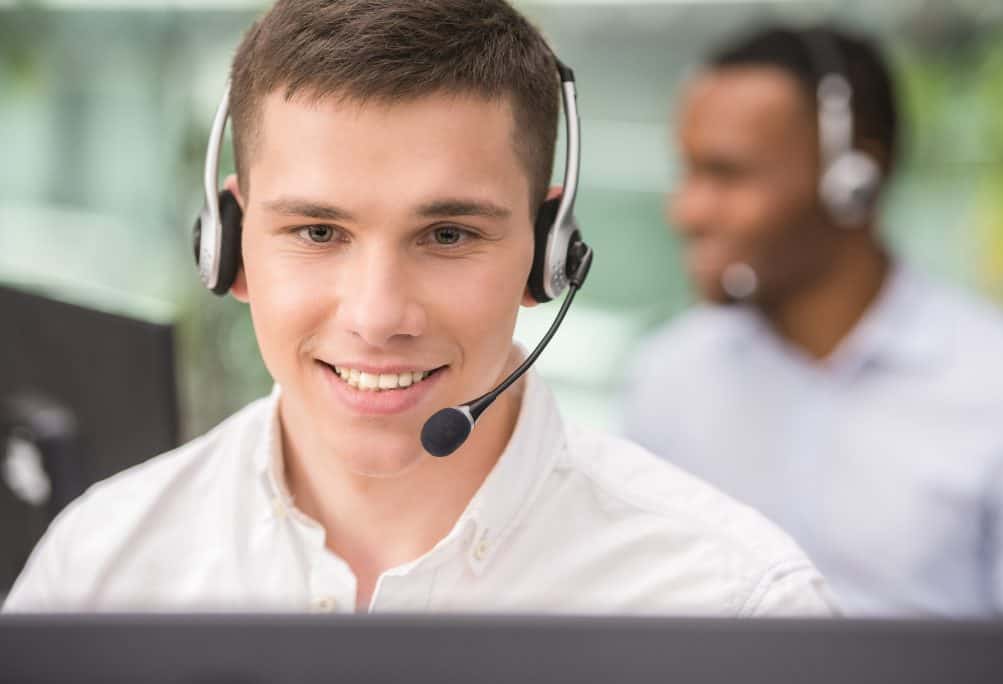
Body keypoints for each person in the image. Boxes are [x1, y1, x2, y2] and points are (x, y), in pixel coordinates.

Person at [3, 0, 833, 617]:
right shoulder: (100, 570)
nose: (377, 314)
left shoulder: (733, 602)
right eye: (319, 230)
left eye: (446, 234)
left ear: (547, 252)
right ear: (228, 243)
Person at [623, 24, 1003, 617]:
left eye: (727, 174)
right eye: (688, 173)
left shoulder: (1002, 388)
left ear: (853, 182)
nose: (687, 210)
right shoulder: (670, 375)